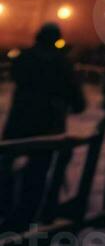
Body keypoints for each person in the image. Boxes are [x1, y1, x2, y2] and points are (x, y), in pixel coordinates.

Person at [1, 23, 87, 229]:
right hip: (49, 125)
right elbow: (77, 101)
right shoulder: (62, 64)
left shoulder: (24, 58)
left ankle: (4, 205)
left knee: (6, 163)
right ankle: (28, 216)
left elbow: (16, 76)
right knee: (37, 171)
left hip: (19, 122)